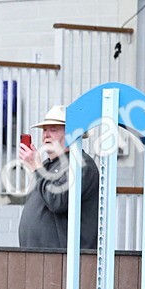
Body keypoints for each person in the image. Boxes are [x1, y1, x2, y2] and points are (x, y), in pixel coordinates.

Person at [16, 105, 100, 250]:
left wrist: (36, 167)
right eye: (44, 130)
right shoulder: (48, 165)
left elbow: (57, 201)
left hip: (63, 260)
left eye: (53, 130)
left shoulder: (82, 164)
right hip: (41, 258)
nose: (46, 135)